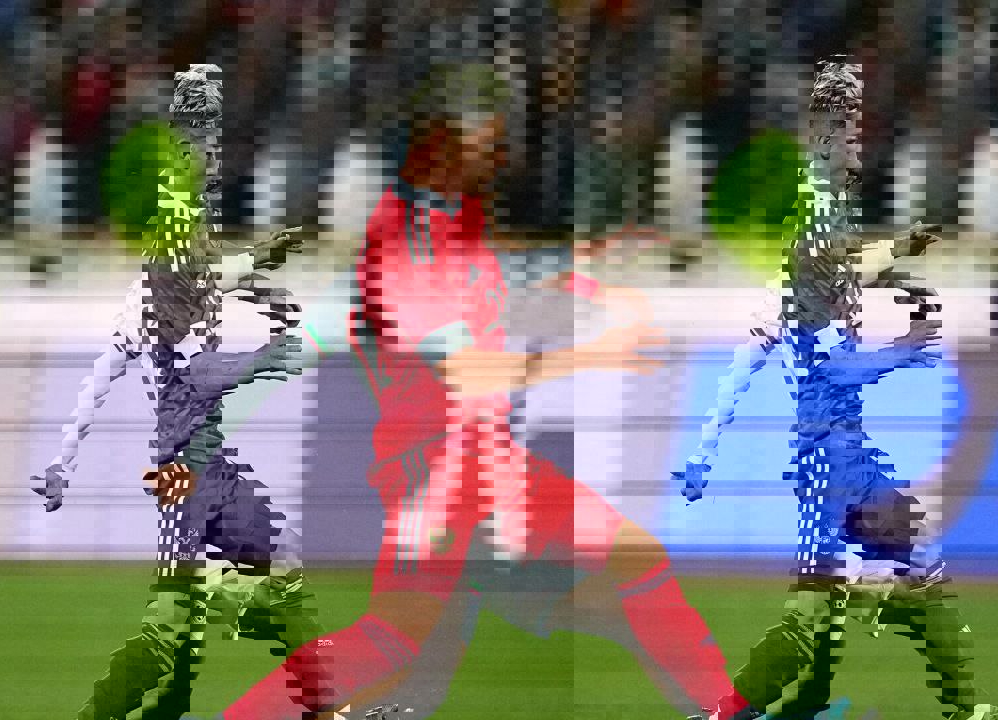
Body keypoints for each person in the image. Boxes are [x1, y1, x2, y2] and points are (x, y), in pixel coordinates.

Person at [219, 62, 734, 720]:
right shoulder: (399, 253)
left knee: (625, 568)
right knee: (397, 639)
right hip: (437, 471)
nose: (494, 153)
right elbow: (472, 369)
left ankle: (718, 705)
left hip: (478, 464)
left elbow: (498, 302)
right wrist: (598, 351)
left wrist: (584, 283)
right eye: (481, 138)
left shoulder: (447, 235)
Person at [675, 59, 998, 720]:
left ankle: (957, 706)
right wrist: (905, 349)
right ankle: (736, 711)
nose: (858, 143)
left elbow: (798, 313)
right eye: (848, 130)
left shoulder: (817, 244)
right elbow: (829, 364)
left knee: (915, 557)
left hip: (843, 449)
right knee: (814, 608)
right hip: (826, 457)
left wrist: (901, 247)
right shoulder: (812, 240)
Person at [32, 65, 323, 720]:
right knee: (176, 615)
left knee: (274, 577)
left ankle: (309, 707)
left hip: (210, 464)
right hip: (180, 473)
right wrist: (62, 462)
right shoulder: (147, 304)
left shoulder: (190, 277)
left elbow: (220, 266)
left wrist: (266, 263)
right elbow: (107, 378)